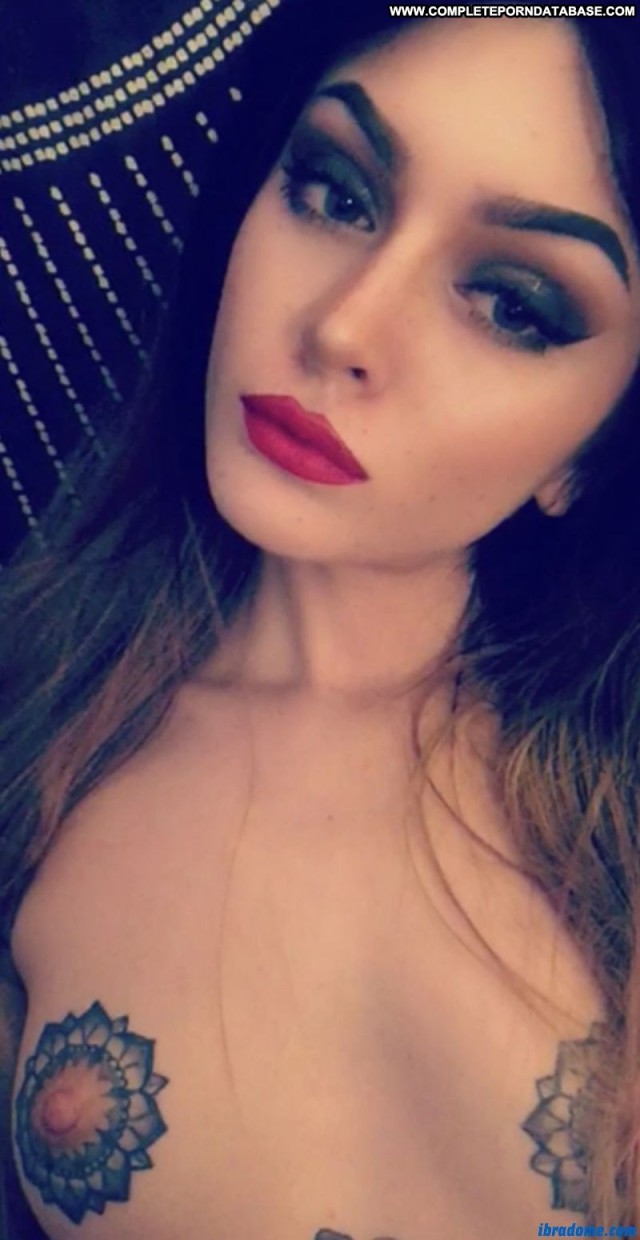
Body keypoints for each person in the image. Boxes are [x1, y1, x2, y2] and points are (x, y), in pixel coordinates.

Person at [1, 9, 640, 1237]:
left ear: (597, 451)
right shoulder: (37, 741)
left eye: (513, 305)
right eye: (335, 194)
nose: (343, 325)